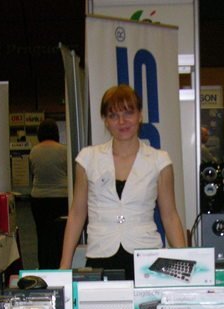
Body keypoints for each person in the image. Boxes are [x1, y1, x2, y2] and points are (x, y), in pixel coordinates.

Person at [59, 84, 186, 276]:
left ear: (140, 115)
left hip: (146, 256)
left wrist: (185, 262)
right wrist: (64, 266)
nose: (122, 121)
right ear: (105, 121)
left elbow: (169, 216)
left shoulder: (159, 161)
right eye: (113, 115)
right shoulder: (88, 159)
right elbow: (77, 214)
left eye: (128, 113)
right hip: (100, 254)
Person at [28, 118, 68, 269]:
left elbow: (33, 172)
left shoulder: (34, 151)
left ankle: (44, 265)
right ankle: (61, 263)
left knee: (43, 235)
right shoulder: (63, 150)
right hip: (61, 198)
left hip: (39, 199)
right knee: (61, 235)